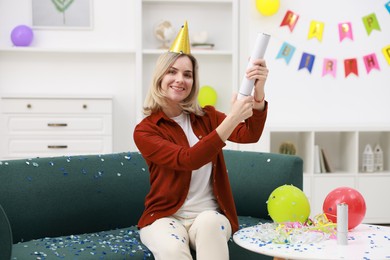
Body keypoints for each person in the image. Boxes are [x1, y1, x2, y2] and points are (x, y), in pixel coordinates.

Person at [133, 21, 268, 260]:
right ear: (159, 78)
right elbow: (188, 159)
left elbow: (249, 134)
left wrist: (258, 93)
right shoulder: (146, 131)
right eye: (172, 72)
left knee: (209, 226)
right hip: (164, 218)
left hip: (208, 215)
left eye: (187, 74)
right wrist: (234, 116)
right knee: (172, 249)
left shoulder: (207, 117)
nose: (180, 79)